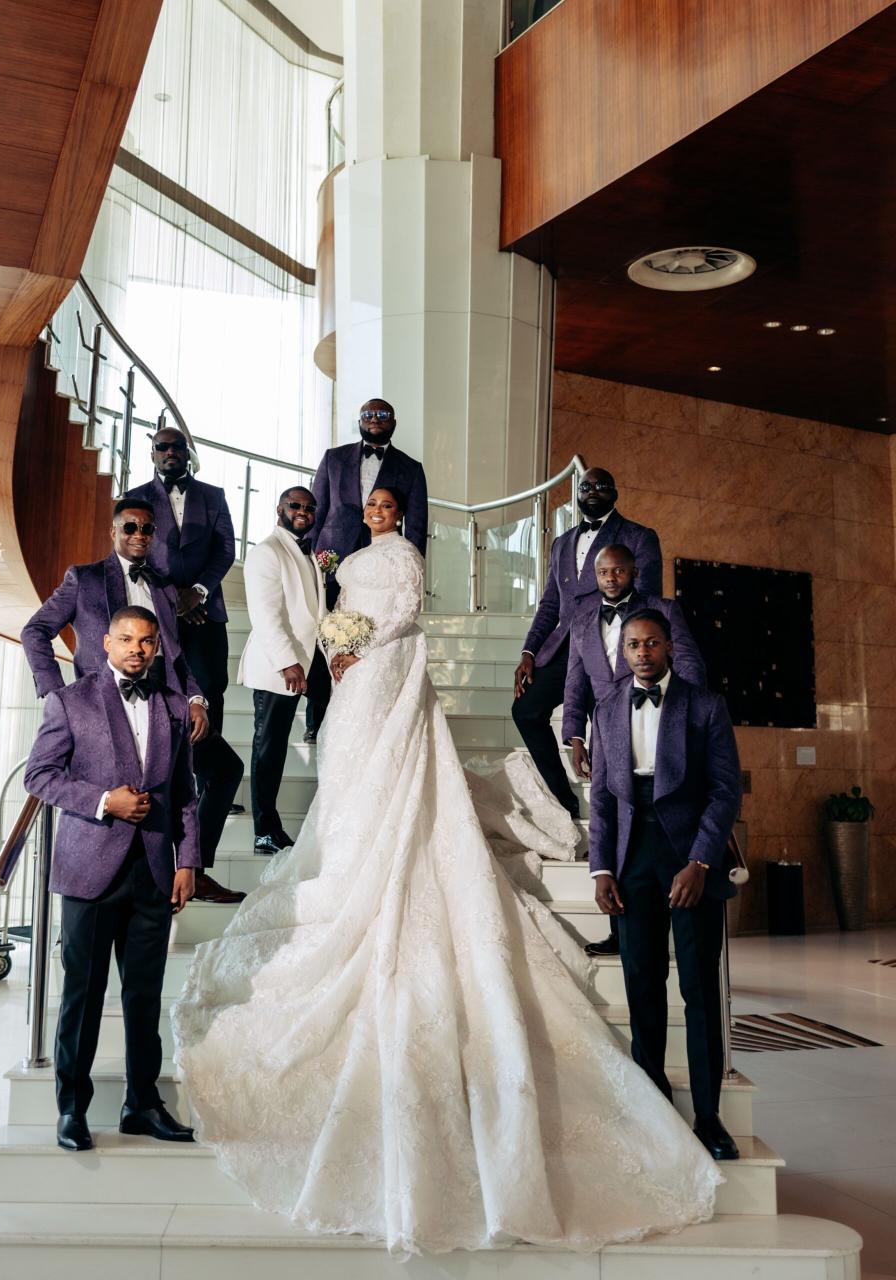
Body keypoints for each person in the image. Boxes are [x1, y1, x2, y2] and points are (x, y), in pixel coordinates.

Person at [171, 487, 721, 1255]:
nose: (377, 511)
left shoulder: (404, 554)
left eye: (387, 503)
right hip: (354, 673)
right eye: (370, 504)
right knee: (348, 775)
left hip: (390, 670)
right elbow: (342, 610)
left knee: (395, 773)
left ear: (400, 513)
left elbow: (404, 612)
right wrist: (337, 646)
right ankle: (351, 854)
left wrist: (360, 647)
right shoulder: (349, 556)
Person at [24, 606, 199, 1153]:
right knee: (82, 996)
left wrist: (188, 861)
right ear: (106, 642)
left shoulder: (173, 706)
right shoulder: (70, 701)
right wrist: (105, 801)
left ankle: (141, 1105)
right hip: (89, 873)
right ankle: (71, 1110)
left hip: (153, 872)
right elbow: (39, 776)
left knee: (144, 997)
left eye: (146, 641)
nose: (136, 649)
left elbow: (186, 792)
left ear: (156, 647)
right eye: (126, 639)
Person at [20, 498, 244, 905]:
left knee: (226, 769)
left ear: (154, 535)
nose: (138, 534)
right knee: (117, 796)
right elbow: (35, 631)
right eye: (130, 527)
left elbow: (175, 656)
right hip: (105, 706)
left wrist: (195, 698)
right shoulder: (84, 578)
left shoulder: (163, 586)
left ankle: (194, 870)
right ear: (114, 532)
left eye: (146, 529)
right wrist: (57, 694)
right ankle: (92, 896)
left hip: (165, 706)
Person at [588, 608, 742, 1162]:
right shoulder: (607, 708)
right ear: (623, 652)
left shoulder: (705, 706)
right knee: (642, 983)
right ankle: (653, 1103)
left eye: (652, 643)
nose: (642, 652)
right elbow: (601, 797)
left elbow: (725, 792)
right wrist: (602, 869)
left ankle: (708, 1117)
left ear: (670, 646)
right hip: (633, 858)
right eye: (633, 645)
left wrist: (700, 862)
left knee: (699, 990)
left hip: (690, 854)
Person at [561, 543, 705, 956]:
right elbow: (575, 681)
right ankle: (622, 929)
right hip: (610, 729)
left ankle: (677, 920)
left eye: (619, 571)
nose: (611, 578)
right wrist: (575, 734)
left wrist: (686, 714)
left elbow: (690, 663)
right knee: (617, 821)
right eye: (603, 572)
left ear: (634, 572)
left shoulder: (663, 609)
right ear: (595, 576)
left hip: (663, 720)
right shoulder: (582, 620)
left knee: (668, 817)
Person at [512, 468, 662, 819]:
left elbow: (649, 600)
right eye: (585, 486)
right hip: (565, 647)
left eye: (601, 485)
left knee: (612, 731)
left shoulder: (639, 536)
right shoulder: (562, 542)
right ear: (577, 495)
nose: (592, 490)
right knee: (526, 710)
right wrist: (529, 651)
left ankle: (622, 814)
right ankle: (564, 801)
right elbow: (550, 603)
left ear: (615, 493)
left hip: (612, 647)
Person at [305, 398, 428, 744]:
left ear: (394, 422)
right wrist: (310, 561)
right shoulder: (333, 458)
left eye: (383, 414)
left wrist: (410, 568)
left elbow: (417, 525)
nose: (375, 419)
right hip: (333, 564)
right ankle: (317, 718)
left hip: (384, 563)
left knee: (370, 643)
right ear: (359, 420)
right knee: (326, 634)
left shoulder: (411, 468)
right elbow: (317, 511)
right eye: (368, 414)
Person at [123, 426, 237, 754]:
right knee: (159, 689)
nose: (170, 452)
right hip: (157, 612)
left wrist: (198, 591)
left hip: (206, 611)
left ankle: (208, 773)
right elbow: (132, 552)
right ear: (153, 455)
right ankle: (165, 770)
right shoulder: (135, 497)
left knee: (211, 688)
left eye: (177, 446)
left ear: (188, 453)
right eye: (162, 447)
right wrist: (173, 597)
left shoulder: (214, 495)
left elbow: (225, 549)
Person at [240, 487, 330, 856]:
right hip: (279, 666)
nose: (302, 511)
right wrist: (287, 662)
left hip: (313, 660)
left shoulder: (308, 552)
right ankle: (265, 830)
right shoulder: (267, 552)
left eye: (309, 507)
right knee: (269, 747)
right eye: (295, 505)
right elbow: (266, 616)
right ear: (280, 509)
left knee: (336, 727)